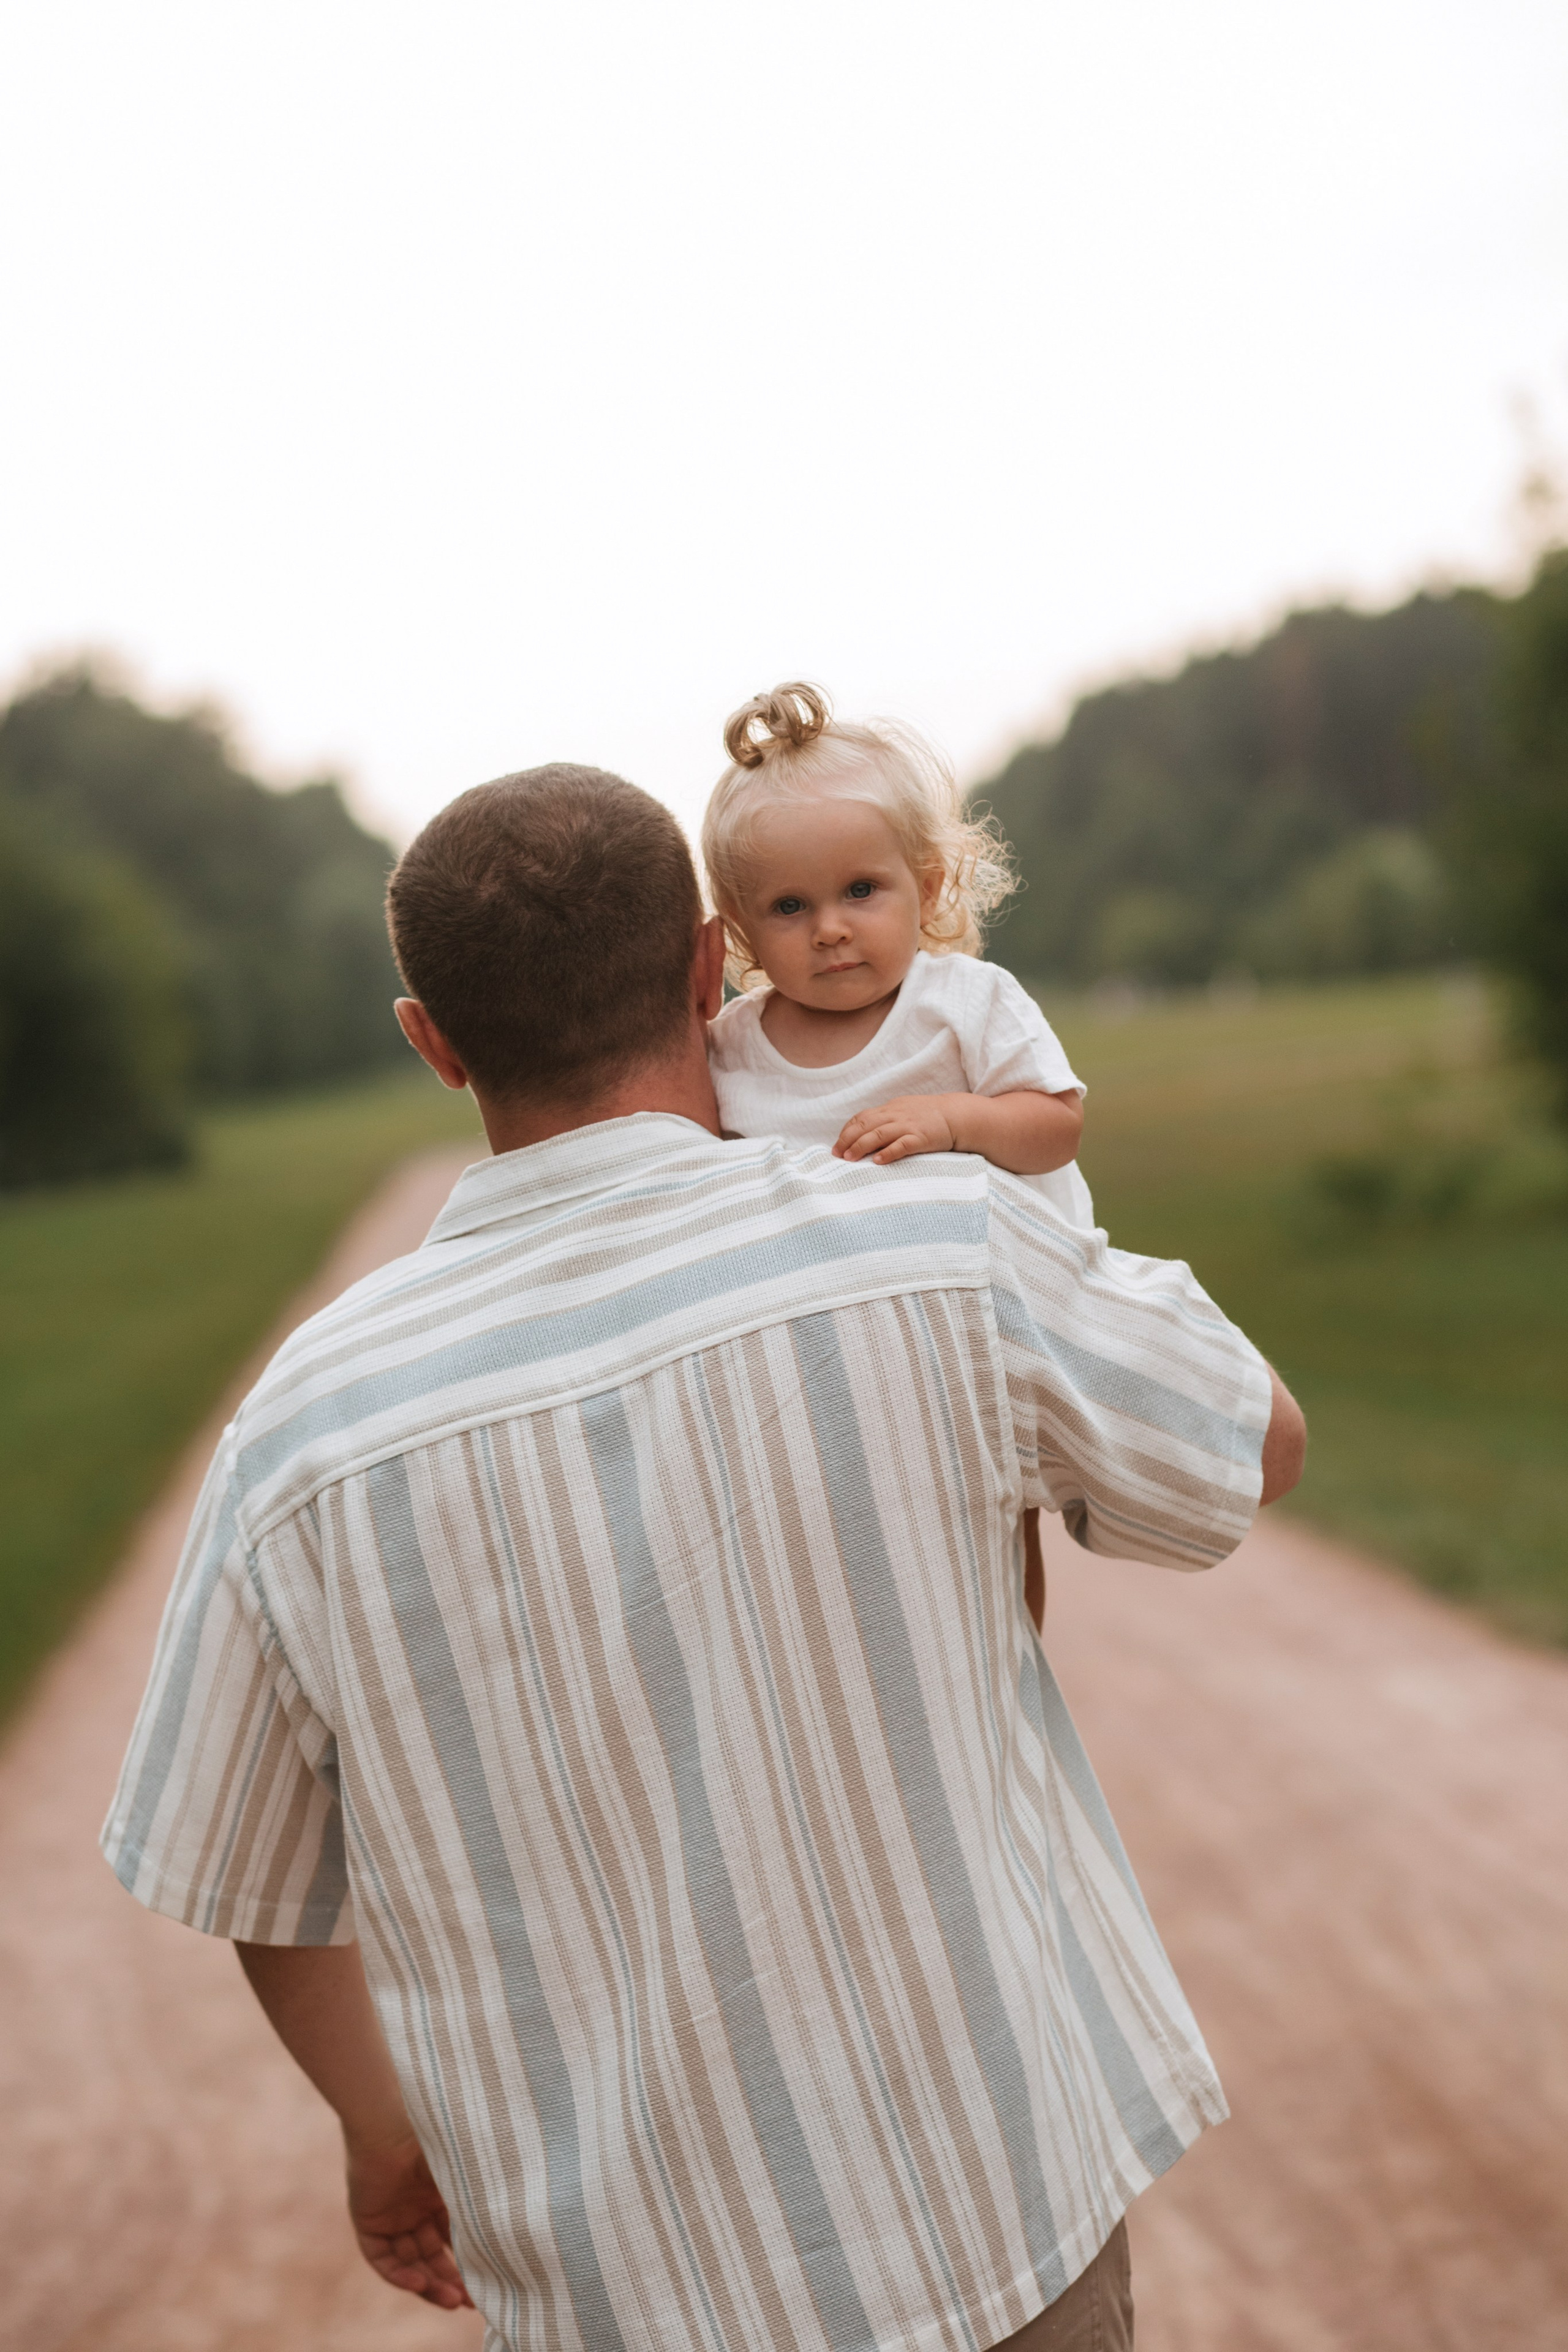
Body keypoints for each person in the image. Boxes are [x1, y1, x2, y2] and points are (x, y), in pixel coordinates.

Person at [104, 763, 1305, 2352]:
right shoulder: (937, 1238)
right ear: (704, 964)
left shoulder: (300, 1430)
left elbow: (253, 1873)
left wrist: (387, 2141)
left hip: (627, 2284)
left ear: (435, 1039)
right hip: (989, 2206)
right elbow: (1256, 1440)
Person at [704, 681, 1090, 1626]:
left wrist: (956, 1118)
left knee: (1001, 1521)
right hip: (837, 1351)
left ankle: (1006, 1672)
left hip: (997, 1320)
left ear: (931, 884)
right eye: (789, 906)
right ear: (744, 930)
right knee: (862, 1539)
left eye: (860, 891)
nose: (830, 927)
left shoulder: (965, 1003)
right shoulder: (737, 1044)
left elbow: (1055, 1123)